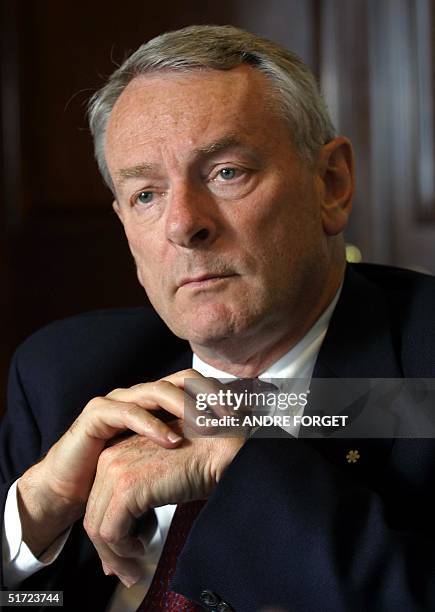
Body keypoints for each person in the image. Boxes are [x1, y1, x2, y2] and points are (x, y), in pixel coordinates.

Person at [1, 24, 435, 612]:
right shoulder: (62, 374)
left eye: (227, 172)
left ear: (331, 184)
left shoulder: (422, 363)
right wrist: (31, 524)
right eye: (146, 195)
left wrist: (238, 462)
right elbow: (34, 604)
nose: (183, 224)